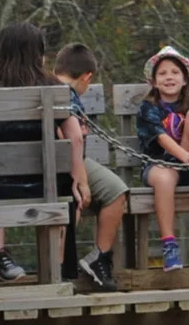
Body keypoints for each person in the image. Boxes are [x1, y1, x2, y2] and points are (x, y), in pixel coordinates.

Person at [0, 21, 99, 284]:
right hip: (45, 184)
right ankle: (57, 268)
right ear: (37, 53)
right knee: (69, 194)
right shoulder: (51, 86)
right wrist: (79, 176)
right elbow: (75, 135)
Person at [54, 43, 131, 291]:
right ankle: (62, 265)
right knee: (90, 196)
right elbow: (60, 133)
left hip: (73, 158)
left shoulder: (61, 89)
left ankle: (95, 258)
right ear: (88, 77)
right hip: (63, 160)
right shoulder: (60, 92)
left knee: (111, 192)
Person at [135, 45, 189, 271]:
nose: (168, 77)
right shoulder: (148, 107)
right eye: (162, 73)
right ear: (153, 82)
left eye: (174, 72)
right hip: (159, 164)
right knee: (164, 178)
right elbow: (161, 138)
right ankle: (169, 245)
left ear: (184, 80)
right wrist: (183, 155)